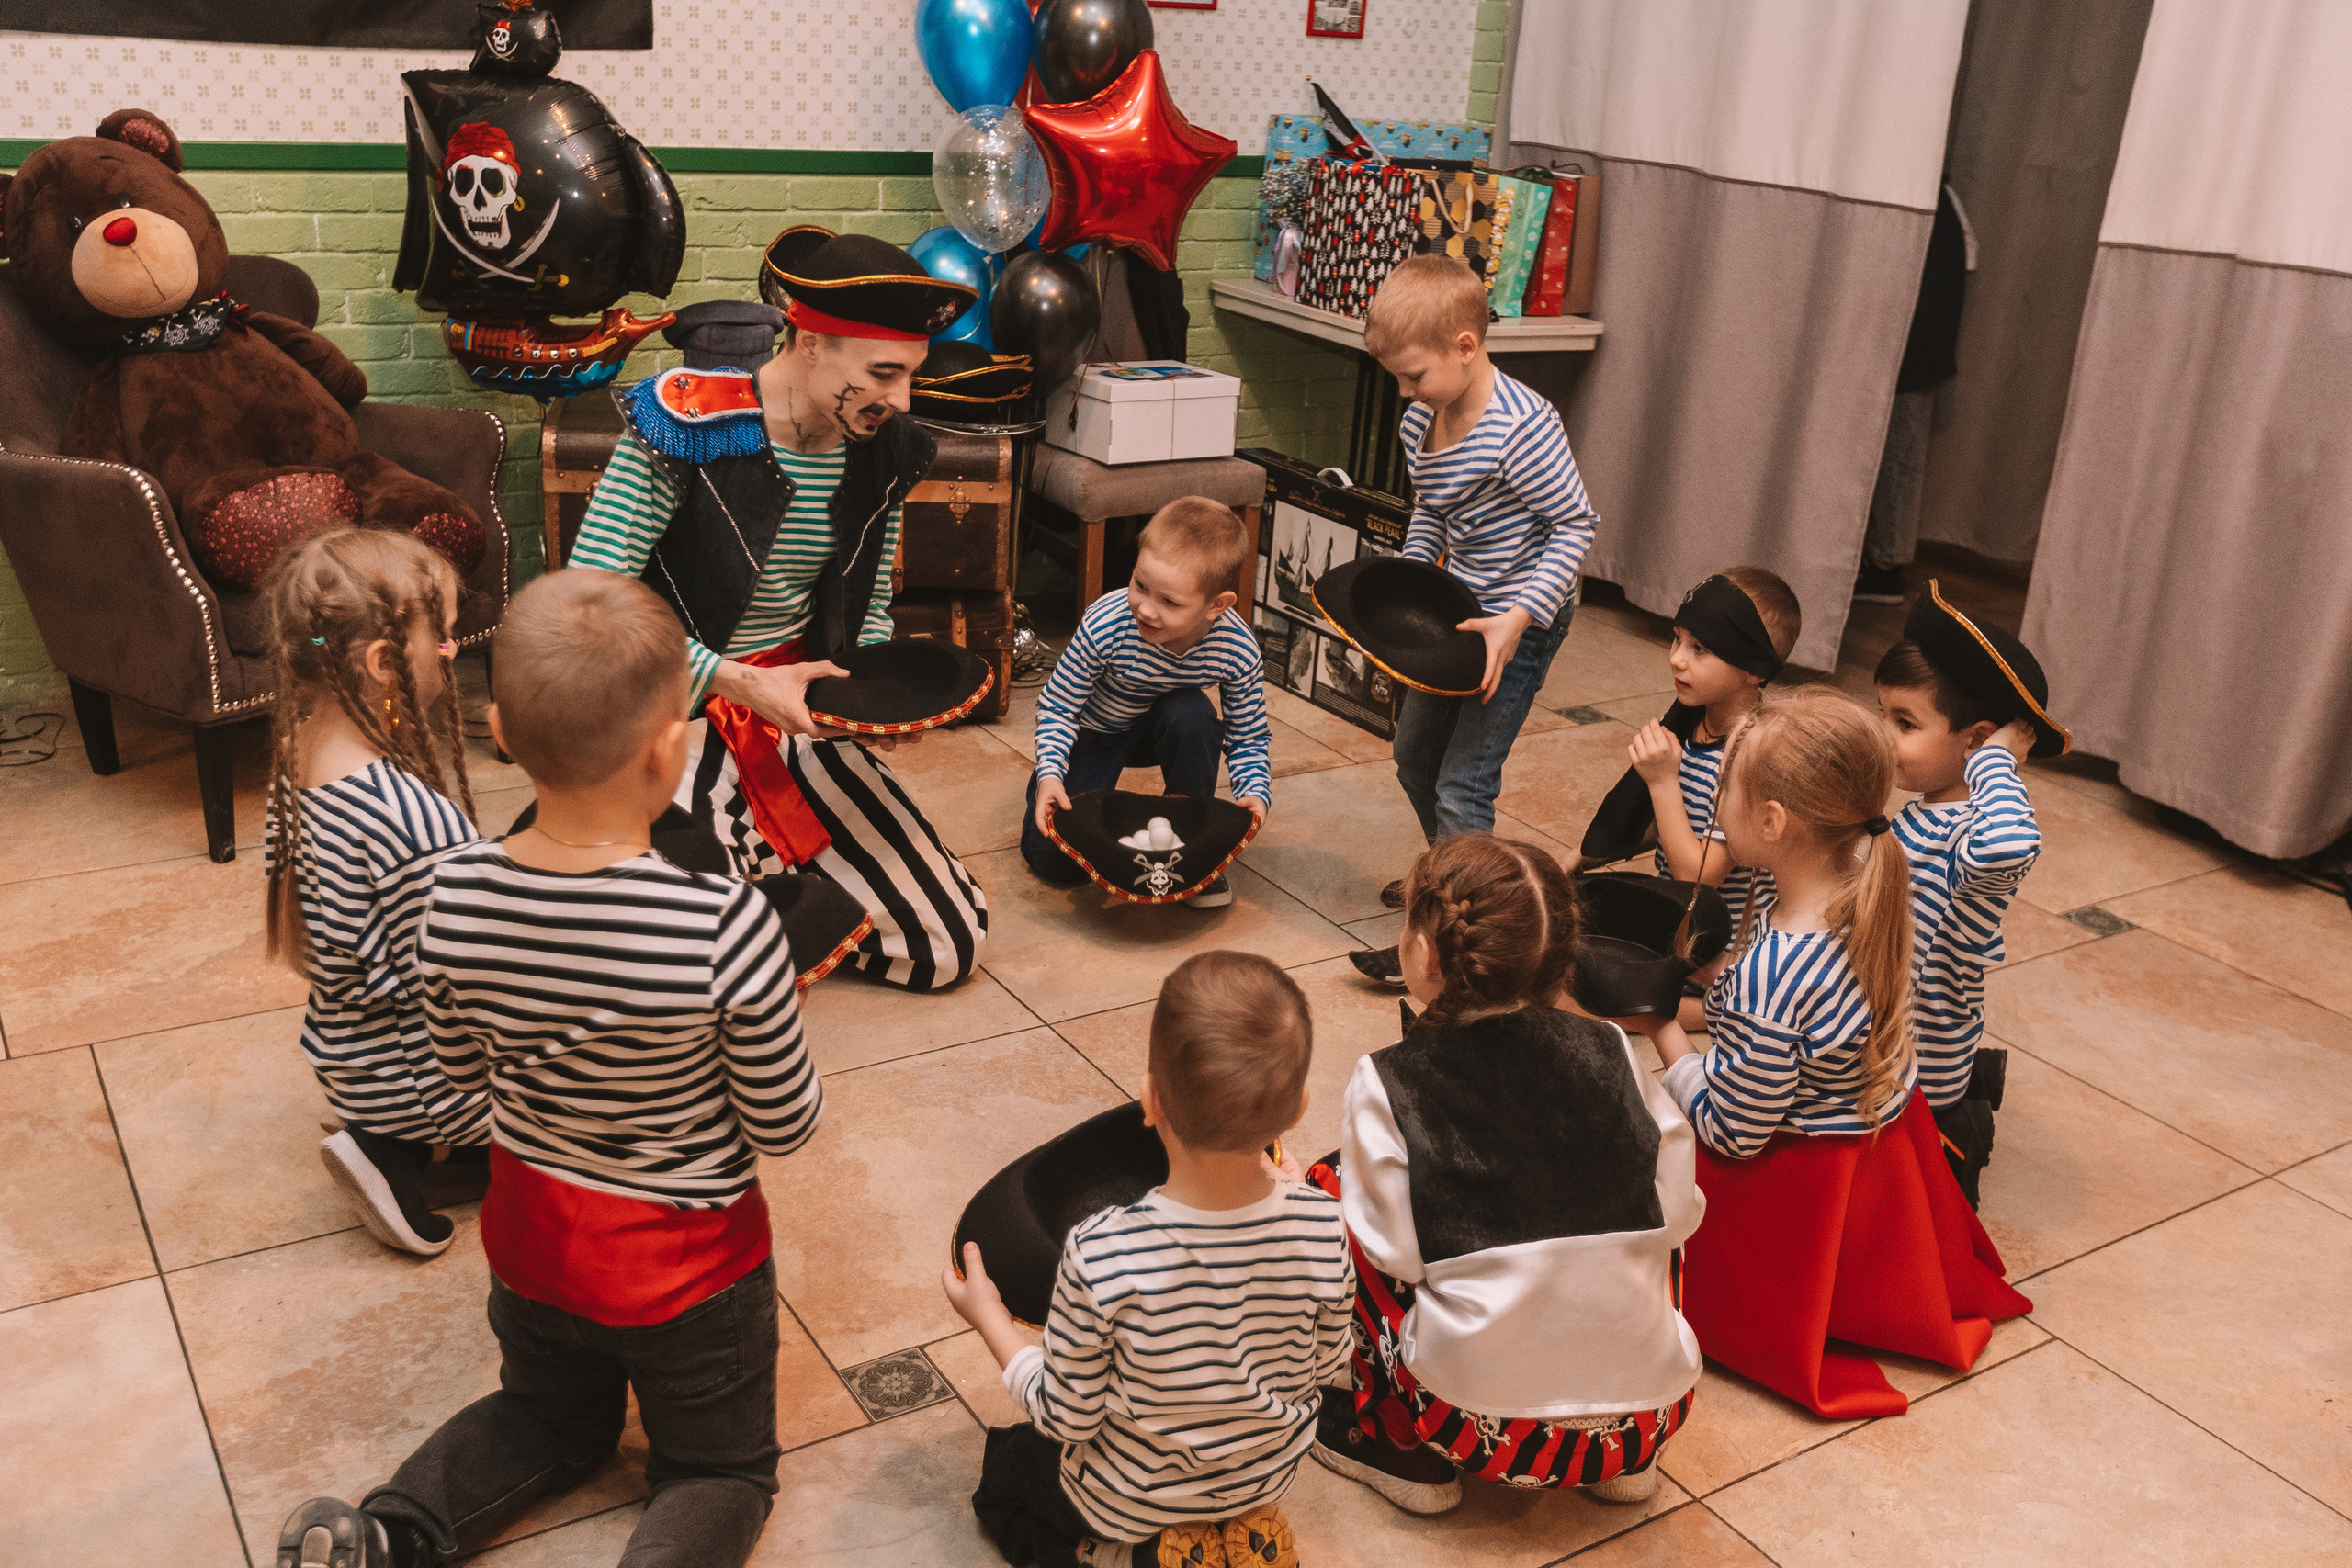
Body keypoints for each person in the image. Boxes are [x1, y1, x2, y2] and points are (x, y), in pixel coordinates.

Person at [271, 570, 823, 1568]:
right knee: (720, 1473)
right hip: (687, 1272)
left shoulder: (453, 895)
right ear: (669, 747)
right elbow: (784, 1125)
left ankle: (386, 1536)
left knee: (543, 1418)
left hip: (532, 1246)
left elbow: (455, 1067)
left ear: (501, 733)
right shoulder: (726, 925)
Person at [568, 225, 986, 992]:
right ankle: (739, 883)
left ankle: (768, 884)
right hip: (672, 711)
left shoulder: (885, 448)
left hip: (797, 706)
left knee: (947, 945)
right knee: (688, 962)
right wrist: (734, 680)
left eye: (912, 375)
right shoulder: (687, 421)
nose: (901, 399)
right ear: (810, 342)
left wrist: (869, 701)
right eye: (884, 373)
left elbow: (867, 604)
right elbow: (587, 604)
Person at [1634, 686, 2030, 1419]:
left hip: (1797, 1173)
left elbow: (1733, 1130)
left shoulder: (1773, 972)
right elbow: (1810, 1005)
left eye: (1723, 792)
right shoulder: (1873, 886)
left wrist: (1661, 1027)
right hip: (1878, 1139)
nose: (1716, 807)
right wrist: (1726, 983)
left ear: (1771, 822)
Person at [1309, 835, 1702, 1515]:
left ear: (1423, 954)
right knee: (1657, 1219)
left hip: (1473, 1429)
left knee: (1332, 1185)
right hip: (1651, 1414)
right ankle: (1623, 1464)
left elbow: (1395, 1254)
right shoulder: (1611, 1047)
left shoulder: (1387, 1080)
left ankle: (1400, 1449)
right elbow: (1679, 1209)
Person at [944, 952, 1350, 1568]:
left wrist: (991, 1320)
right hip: (1264, 1474)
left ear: (1150, 1099)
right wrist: (1294, 1196)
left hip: (1128, 1499)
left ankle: (1121, 1556)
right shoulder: (1324, 1224)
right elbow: (1329, 1361)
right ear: (1298, 1109)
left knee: (1007, 1468)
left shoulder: (1103, 1251)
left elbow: (1065, 1417)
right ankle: (1237, 1530)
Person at [1345, 254, 1601, 978]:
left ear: (1466, 346)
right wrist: (1411, 584)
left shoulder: (1524, 428)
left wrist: (1519, 617)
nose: (1405, 392)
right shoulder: (1419, 422)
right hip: (1459, 613)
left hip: (1520, 623)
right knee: (1413, 758)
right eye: (1397, 378)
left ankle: (1461, 930)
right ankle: (1452, 874)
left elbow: (1575, 526)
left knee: (1463, 782)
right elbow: (1433, 508)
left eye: (1414, 375)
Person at [260, 528, 488, 1259]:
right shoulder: (411, 816)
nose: (452, 650)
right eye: (443, 638)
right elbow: (468, 974)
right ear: (385, 662)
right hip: (423, 1082)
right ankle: (400, 1153)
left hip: (349, 1053)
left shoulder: (295, 756)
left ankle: (406, 1142)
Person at [1569, 568, 1799, 1023]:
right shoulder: (1693, 723)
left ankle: (1726, 1009)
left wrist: (1661, 781)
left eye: (1700, 649)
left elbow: (1697, 878)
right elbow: (1666, 826)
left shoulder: (1753, 758)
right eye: (1677, 639)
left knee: (1579, 1000)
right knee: (1562, 925)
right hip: (1677, 914)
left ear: (1754, 670)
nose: (1676, 659)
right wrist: (1577, 858)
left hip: (1715, 942)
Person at [1876, 607, 2049, 1207]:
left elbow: (2010, 844)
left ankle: (1960, 1122)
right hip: (1890, 1040)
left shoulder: (1969, 836)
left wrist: (1996, 760)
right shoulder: (1925, 812)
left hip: (1914, 1071)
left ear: (1974, 739)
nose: (1884, 735)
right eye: (1883, 715)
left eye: (1904, 723)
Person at [1024, 497, 1272, 909]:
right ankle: (1055, 787)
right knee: (1055, 862)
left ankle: (1190, 837)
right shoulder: (1106, 623)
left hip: (1163, 727)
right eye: (1140, 585)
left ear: (1217, 605)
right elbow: (1059, 707)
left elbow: (1247, 735)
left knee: (1193, 713)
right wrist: (1051, 772)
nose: (1146, 609)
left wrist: (1255, 793)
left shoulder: (1237, 649)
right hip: (1095, 730)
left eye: (1170, 602)